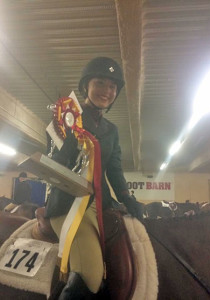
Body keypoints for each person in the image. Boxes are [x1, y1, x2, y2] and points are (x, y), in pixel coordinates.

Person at [45, 57, 143, 299]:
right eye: (100, 83)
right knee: (91, 272)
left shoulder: (112, 130)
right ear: (86, 86)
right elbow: (53, 162)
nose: (107, 91)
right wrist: (67, 147)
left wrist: (127, 198)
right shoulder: (68, 118)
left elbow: (115, 170)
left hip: (101, 205)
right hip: (67, 205)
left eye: (112, 87)